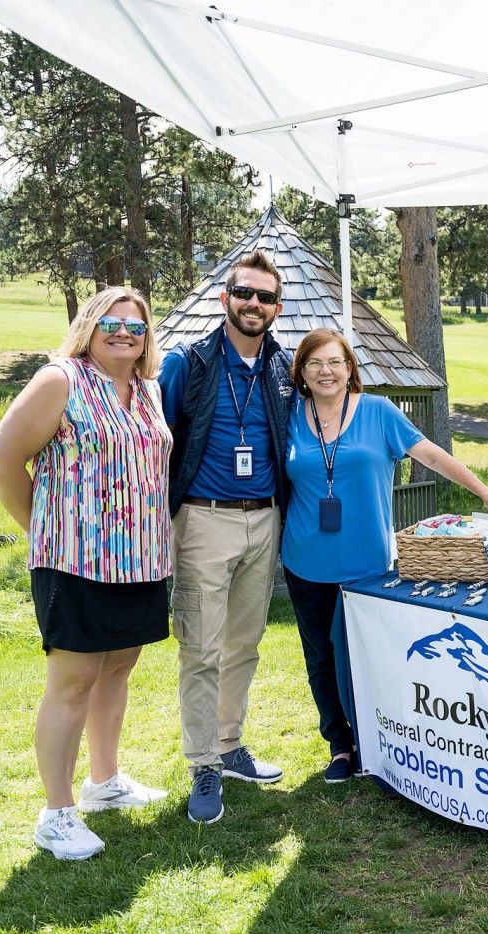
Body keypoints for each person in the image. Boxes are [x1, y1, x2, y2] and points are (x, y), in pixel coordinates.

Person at [0, 287, 172, 860]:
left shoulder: (148, 390)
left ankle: (104, 783)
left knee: (117, 669)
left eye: (135, 327)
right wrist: (43, 528)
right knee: (72, 686)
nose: (123, 333)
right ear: (89, 326)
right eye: (111, 323)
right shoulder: (60, 379)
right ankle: (56, 812)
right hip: (75, 561)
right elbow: (1, 458)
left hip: (141, 559)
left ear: (146, 338)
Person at [281, 329, 488, 782]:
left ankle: (378, 735)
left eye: (335, 362)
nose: (326, 372)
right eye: (314, 364)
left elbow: (433, 456)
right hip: (305, 561)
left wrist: (485, 493)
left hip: (369, 565)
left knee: (370, 655)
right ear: (302, 374)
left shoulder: (378, 413)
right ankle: (340, 745)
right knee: (321, 657)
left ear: (350, 368)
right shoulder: (287, 417)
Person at [158, 249, 294, 824]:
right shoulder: (188, 363)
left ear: (276, 308)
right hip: (203, 520)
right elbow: (156, 443)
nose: (254, 305)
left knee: (244, 643)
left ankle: (229, 743)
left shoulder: (284, 368)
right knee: (202, 648)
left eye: (265, 297)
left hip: (263, 519)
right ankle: (203, 765)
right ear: (225, 299)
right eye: (245, 294)